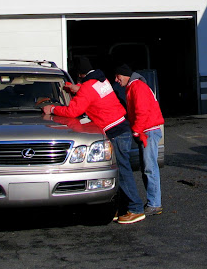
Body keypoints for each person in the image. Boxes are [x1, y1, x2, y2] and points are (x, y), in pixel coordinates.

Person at [42, 57, 145, 224]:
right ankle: (125, 208)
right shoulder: (101, 80)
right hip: (122, 127)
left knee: (123, 173)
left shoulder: (87, 88)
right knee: (120, 172)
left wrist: (52, 108)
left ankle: (135, 208)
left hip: (115, 132)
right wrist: (78, 89)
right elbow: (90, 92)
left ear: (80, 74)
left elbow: (73, 110)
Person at [114, 64, 165, 216]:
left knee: (150, 167)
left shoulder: (137, 87)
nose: (116, 80)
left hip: (148, 131)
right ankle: (153, 202)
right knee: (147, 168)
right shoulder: (134, 86)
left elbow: (142, 111)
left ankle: (155, 204)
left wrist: (136, 130)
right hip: (147, 130)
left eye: (118, 76)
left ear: (126, 75)